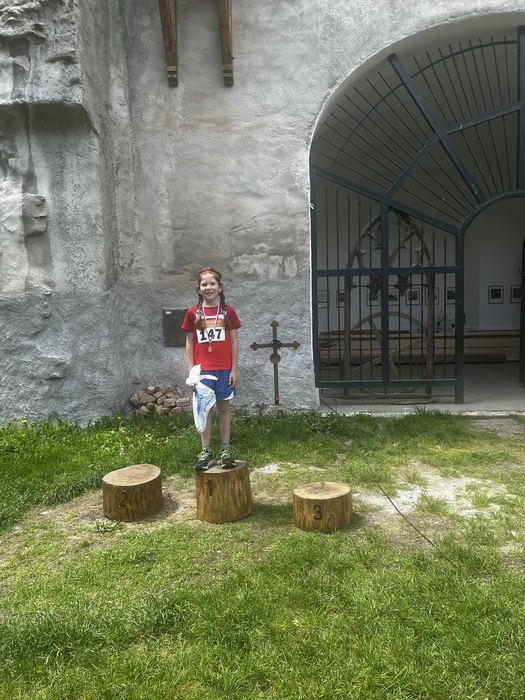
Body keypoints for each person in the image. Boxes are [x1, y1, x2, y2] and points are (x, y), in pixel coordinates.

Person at [181, 268, 241, 470]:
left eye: (212, 284)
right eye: (204, 284)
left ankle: (225, 449)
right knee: (204, 409)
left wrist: (234, 370)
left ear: (220, 288)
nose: (208, 287)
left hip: (224, 369)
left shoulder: (227, 312)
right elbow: (189, 343)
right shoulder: (193, 313)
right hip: (202, 371)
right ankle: (206, 450)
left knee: (224, 408)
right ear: (199, 289)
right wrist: (192, 372)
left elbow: (234, 342)